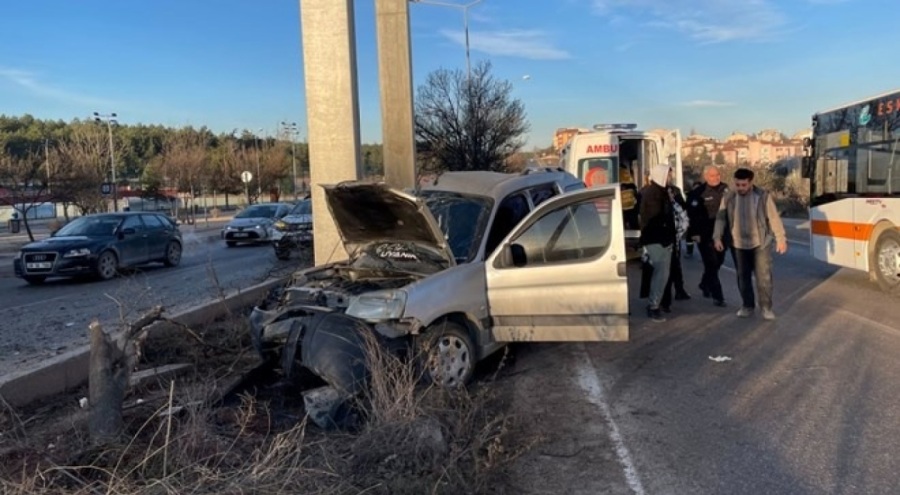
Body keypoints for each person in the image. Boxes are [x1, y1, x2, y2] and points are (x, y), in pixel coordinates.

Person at [713, 168, 788, 320]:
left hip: (760, 243)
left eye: (744, 185)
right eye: (738, 184)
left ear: (751, 183)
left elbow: (773, 218)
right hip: (738, 244)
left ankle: (766, 307)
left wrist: (781, 239)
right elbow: (720, 218)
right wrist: (717, 237)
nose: (740, 188)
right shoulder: (729, 197)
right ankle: (747, 306)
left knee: (764, 277)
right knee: (743, 277)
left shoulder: (762, 196)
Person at [687, 167, 730, 307]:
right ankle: (718, 296)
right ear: (706, 177)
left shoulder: (727, 190)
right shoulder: (698, 193)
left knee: (718, 262)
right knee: (711, 263)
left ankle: (704, 284)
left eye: (717, 174)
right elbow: (692, 215)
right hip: (705, 235)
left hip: (723, 233)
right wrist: (694, 233)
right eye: (712, 175)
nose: (715, 177)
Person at [639, 164, 676, 322]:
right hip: (658, 241)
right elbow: (656, 219)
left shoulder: (660, 192)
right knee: (660, 275)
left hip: (660, 240)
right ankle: (653, 306)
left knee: (661, 274)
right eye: (668, 175)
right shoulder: (654, 194)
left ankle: (656, 304)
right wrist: (666, 239)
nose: (670, 178)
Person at [683, 181, 703, 258]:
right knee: (689, 237)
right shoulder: (690, 195)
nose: (696, 189)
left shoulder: (703, 196)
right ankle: (689, 252)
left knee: (700, 238)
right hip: (690, 220)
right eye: (695, 187)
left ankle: (703, 253)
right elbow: (686, 206)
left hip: (700, 221)